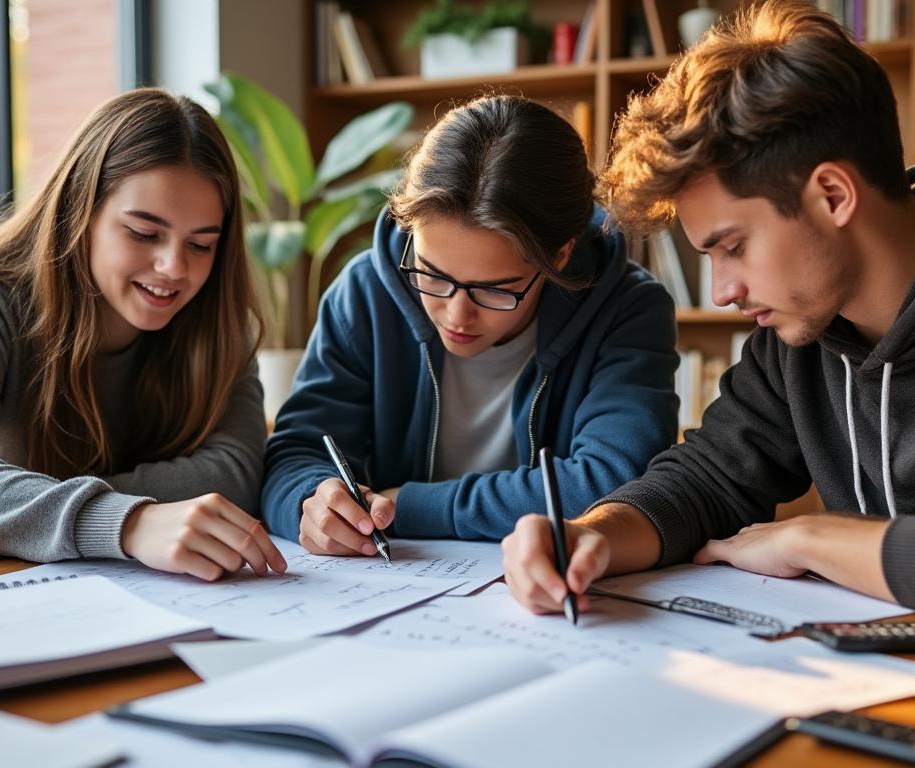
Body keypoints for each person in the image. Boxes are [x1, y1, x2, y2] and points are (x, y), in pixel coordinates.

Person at [501, 0, 915, 688]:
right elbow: (709, 478)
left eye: (733, 247)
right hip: (911, 686)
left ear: (832, 194)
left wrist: (813, 537)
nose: (721, 292)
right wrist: (594, 533)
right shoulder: (800, 332)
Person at [0, 88, 286, 582]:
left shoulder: (219, 321)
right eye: (143, 233)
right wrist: (129, 521)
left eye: (201, 245)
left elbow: (236, 473)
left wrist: (16, 505)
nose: (174, 267)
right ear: (80, 212)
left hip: (124, 591)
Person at [262, 95, 679, 556]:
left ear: (560, 254)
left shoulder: (628, 310)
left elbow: (615, 483)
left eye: (495, 290)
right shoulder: (364, 293)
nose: (457, 315)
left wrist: (412, 507)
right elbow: (295, 456)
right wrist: (311, 503)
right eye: (431, 274)